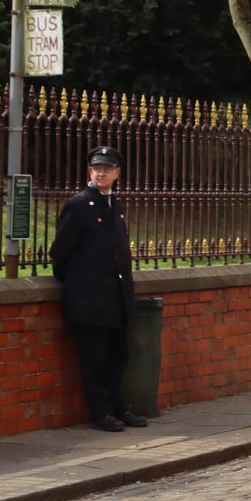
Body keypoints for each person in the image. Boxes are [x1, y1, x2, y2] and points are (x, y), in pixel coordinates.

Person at [49, 145, 146, 432]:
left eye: (107, 168)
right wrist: (81, 283)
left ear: (117, 173)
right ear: (89, 171)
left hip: (115, 300)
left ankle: (119, 407)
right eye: (96, 168)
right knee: (95, 360)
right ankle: (101, 412)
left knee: (118, 357)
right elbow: (60, 252)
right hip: (90, 301)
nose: (101, 172)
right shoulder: (79, 204)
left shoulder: (114, 206)